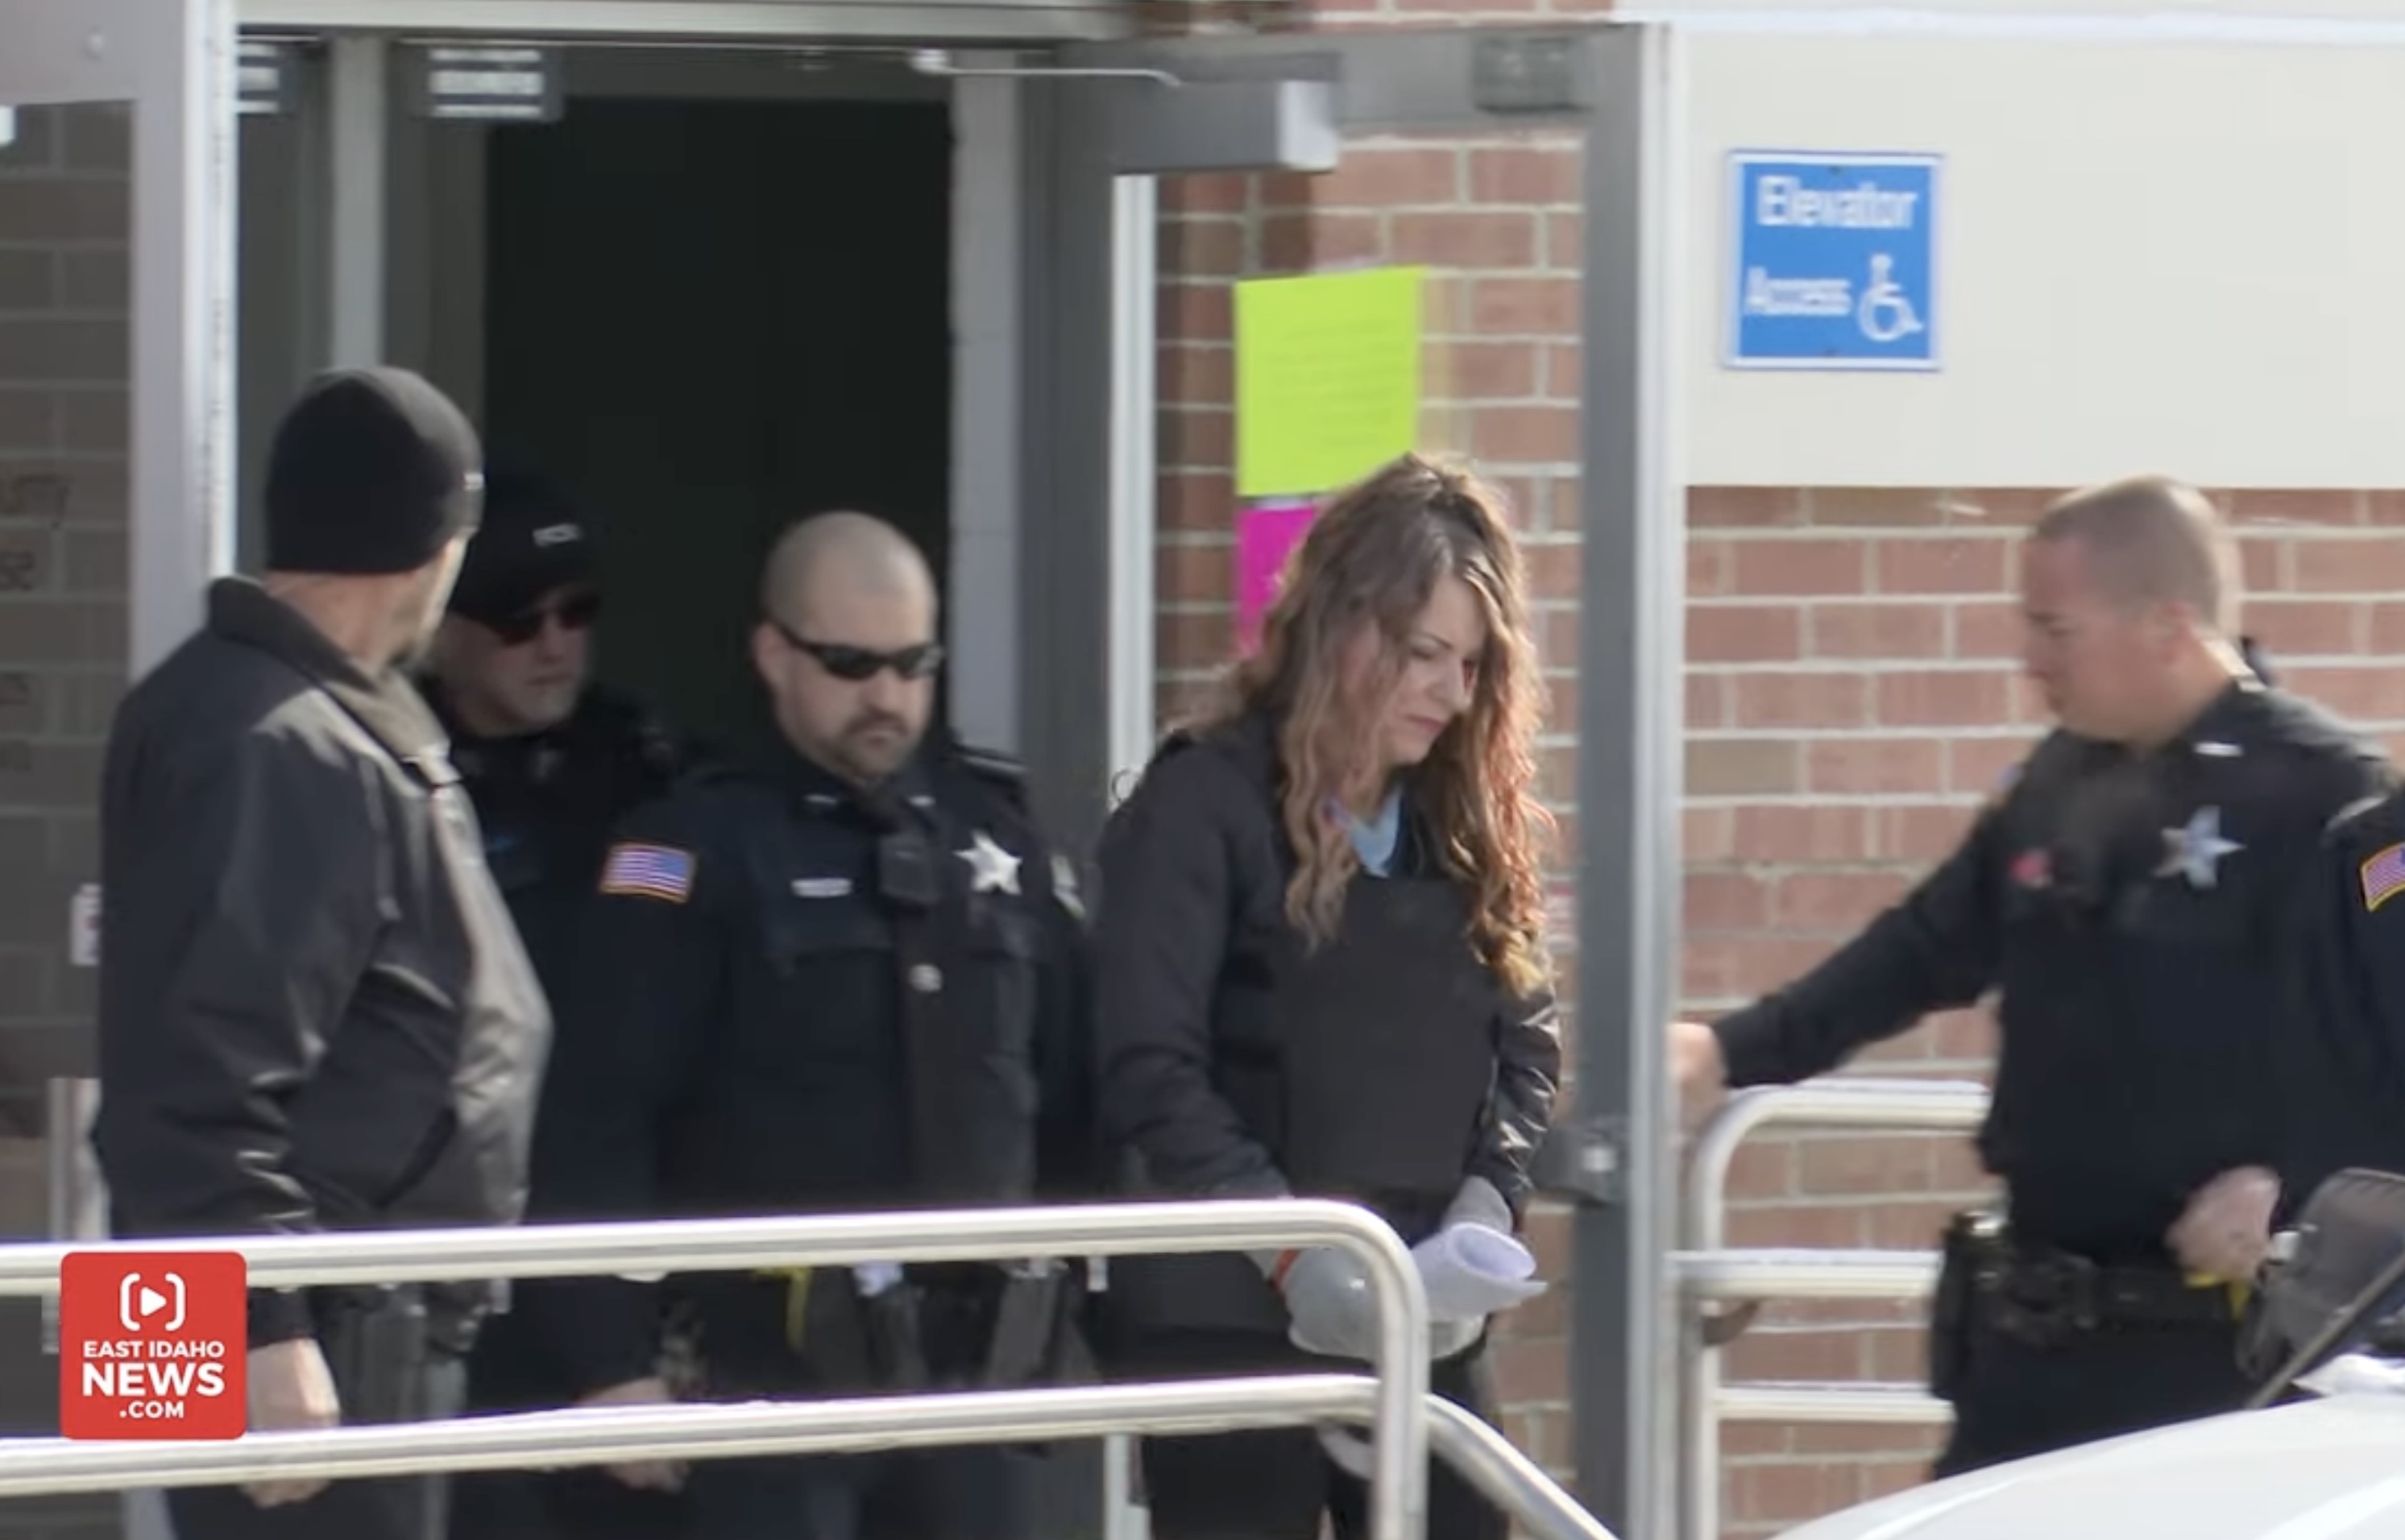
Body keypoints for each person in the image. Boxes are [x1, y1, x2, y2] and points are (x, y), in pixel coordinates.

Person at [1668, 474, 2395, 1479]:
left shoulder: (2326, 798)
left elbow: (2386, 1059)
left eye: (2056, 629)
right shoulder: (2057, 779)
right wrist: (1729, 1051)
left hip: (2211, 1360)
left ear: (2166, 625)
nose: (2030, 658)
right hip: (2033, 1348)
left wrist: (2293, 1190)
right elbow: (1924, 947)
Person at [515, 510, 1097, 1540]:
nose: (887, 695)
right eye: (851, 664)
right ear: (774, 654)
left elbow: (1071, 1097)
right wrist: (610, 1359)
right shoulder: (691, 846)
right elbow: (596, 1115)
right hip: (768, 1387)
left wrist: (1093, 1312)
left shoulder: (996, 842)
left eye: (913, 664)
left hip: (974, 1392)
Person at [90, 366, 552, 1540]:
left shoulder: (238, 702)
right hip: (317, 1331)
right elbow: (197, 1073)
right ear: (431, 549)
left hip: (295, 1305)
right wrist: (267, 1328)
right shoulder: (279, 739)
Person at [1088, 453, 1564, 1540]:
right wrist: (1294, 1251)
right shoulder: (1199, 806)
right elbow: (1148, 1062)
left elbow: (1528, 1044)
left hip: (1422, 1318)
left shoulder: (1461, 825)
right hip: (1230, 1323)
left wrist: (1488, 1201)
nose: (1451, 694)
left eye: (1471, 665)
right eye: (1422, 654)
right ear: (1339, 628)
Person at [425, 466, 703, 1540]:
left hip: (616, 1232)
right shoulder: (399, 777)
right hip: (461, 1244)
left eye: (576, 612)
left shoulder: (642, 766)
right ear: (446, 630)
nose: (554, 645)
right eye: (517, 620)